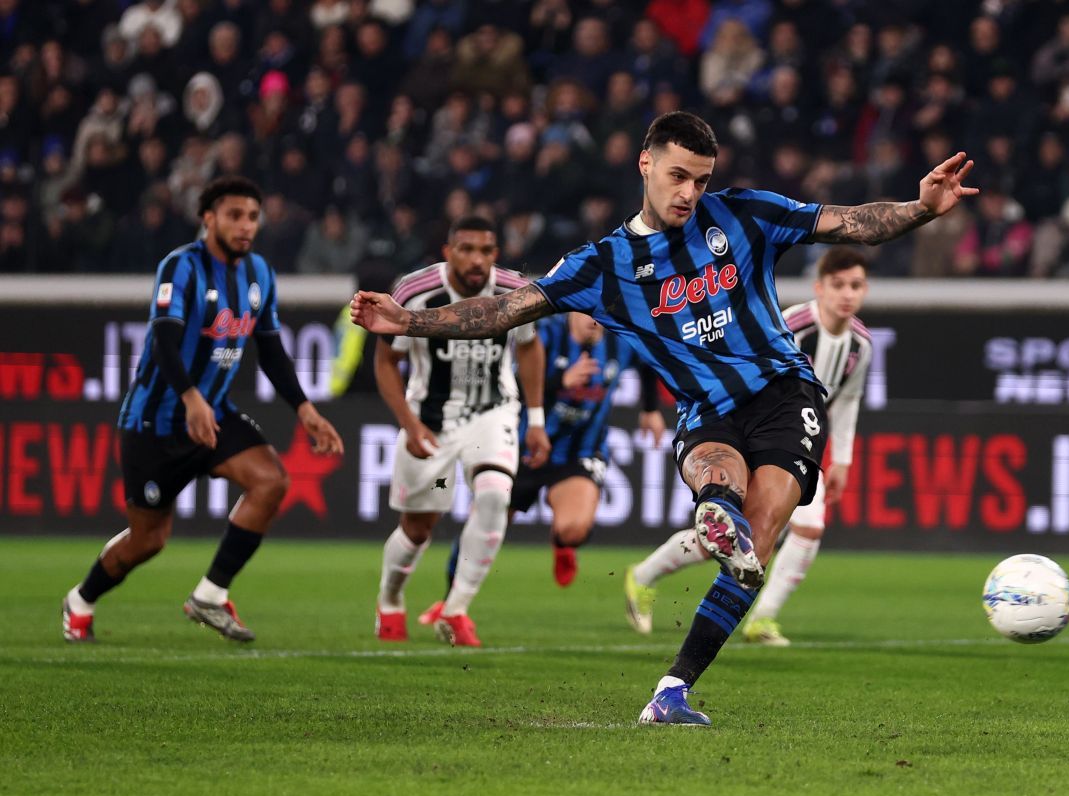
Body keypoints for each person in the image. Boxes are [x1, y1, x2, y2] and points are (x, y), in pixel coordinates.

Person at [351, 112, 975, 724]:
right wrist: (410, 321)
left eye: (701, 180)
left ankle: (673, 688)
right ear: (645, 164)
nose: (689, 193)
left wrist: (920, 208)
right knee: (719, 479)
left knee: (755, 545)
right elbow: (505, 310)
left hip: (785, 394)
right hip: (705, 410)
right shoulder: (602, 264)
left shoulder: (744, 213)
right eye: (678, 176)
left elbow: (849, 223)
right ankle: (716, 512)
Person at [61, 176, 344, 644]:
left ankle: (210, 594)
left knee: (271, 480)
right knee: (148, 540)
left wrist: (304, 409)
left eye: (252, 217)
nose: (245, 226)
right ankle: (81, 599)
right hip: (155, 421)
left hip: (213, 415)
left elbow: (271, 350)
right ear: (209, 218)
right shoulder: (181, 266)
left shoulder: (259, 273)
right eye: (234, 216)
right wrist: (190, 397)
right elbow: (164, 340)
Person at [624, 246, 873, 646]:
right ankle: (644, 575)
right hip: (749, 433)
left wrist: (842, 459)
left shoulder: (861, 345)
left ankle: (762, 618)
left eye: (855, 286)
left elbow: (847, 400)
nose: (847, 294)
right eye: (838, 285)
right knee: (726, 538)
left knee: (805, 528)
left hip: (795, 441)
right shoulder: (791, 325)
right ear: (819, 287)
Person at [373, 216, 550, 648]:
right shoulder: (413, 291)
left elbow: (529, 348)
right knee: (418, 528)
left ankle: (456, 609)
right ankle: (390, 599)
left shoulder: (515, 290)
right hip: (431, 423)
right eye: (466, 249)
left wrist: (536, 420)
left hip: (493, 414)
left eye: (485, 251)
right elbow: (385, 362)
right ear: (447, 252)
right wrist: (409, 424)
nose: (476, 260)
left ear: (496, 254)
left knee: (494, 496)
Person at [424, 312, 665, 616]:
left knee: (574, 530)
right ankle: (449, 602)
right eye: (587, 312)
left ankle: (562, 543)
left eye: (599, 314)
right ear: (572, 309)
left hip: (579, 452)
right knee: (483, 522)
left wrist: (650, 409)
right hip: (524, 448)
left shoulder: (620, 341)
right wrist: (559, 382)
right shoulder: (545, 334)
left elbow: (650, 359)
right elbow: (508, 385)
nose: (594, 321)